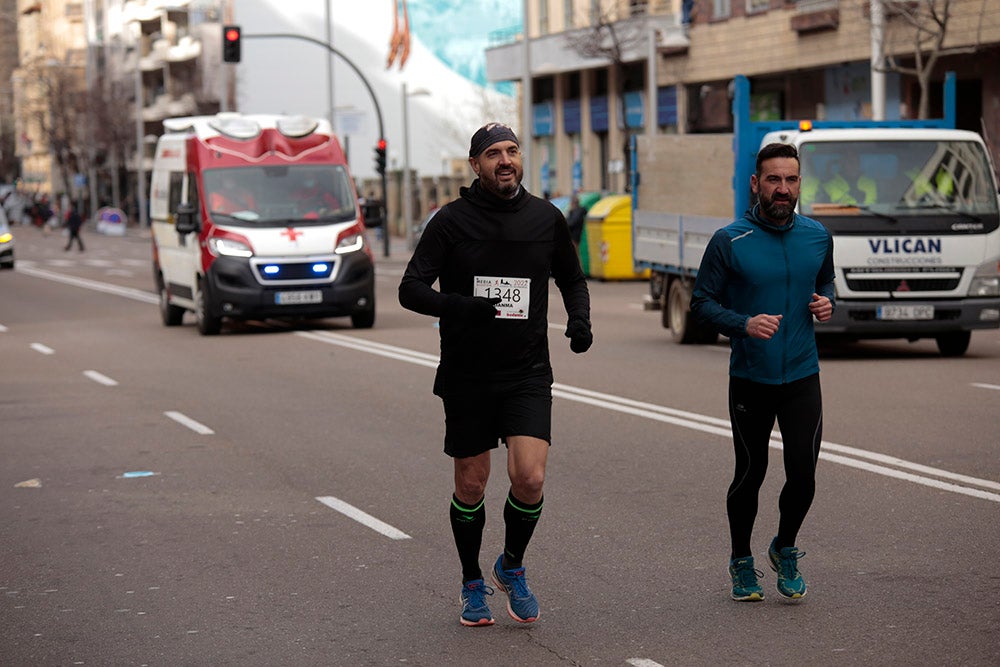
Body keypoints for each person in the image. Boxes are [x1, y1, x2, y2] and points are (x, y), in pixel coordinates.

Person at [398, 122, 592, 627]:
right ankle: (471, 581)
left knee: (529, 477)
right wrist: (459, 305)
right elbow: (410, 288)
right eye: (493, 154)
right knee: (472, 483)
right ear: (476, 166)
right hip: (468, 373)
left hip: (527, 370)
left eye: (511, 151)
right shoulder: (450, 222)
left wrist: (580, 320)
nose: (504, 160)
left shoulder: (545, 218)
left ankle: (512, 564)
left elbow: (571, 278)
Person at [690, 142, 835, 602]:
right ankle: (741, 560)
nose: (783, 189)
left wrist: (827, 301)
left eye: (791, 180)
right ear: (756, 183)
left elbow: (825, 280)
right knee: (751, 473)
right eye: (773, 179)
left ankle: (785, 547)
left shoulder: (817, 235)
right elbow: (701, 305)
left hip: (801, 375)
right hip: (751, 378)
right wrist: (743, 324)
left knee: (804, 474)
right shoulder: (728, 240)